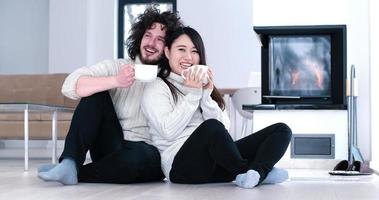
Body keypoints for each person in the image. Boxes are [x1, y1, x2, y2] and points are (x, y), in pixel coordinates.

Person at [37, 6, 183, 185]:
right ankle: (70, 162)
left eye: (160, 39)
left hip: (145, 153)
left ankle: (74, 171)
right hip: (110, 146)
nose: (151, 44)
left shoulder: (171, 81)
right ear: (139, 39)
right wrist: (115, 81)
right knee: (95, 93)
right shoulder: (118, 67)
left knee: (139, 157)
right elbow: (69, 85)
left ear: (168, 49)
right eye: (148, 36)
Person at [141, 26, 292, 188]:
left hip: (216, 165)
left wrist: (206, 94)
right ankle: (252, 171)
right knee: (211, 127)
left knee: (282, 130)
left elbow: (223, 129)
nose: (188, 57)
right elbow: (167, 131)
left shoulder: (202, 86)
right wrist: (193, 95)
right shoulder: (157, 87)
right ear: (167, 52)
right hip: (182, 168)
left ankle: (255, 172)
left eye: (194, 51)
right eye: (181, 49)